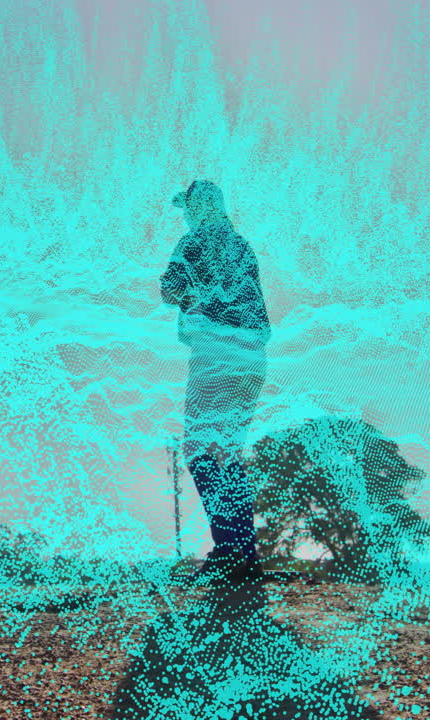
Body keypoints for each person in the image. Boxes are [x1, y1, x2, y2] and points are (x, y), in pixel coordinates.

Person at [159, 180, 272, 588]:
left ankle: (227, 550)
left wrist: (190, 298)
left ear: (197, 209)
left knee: (198, 449)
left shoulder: (192, 242)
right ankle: (245, 555)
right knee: (228, 453)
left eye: (188, 208)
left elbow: (168, 290)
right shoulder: (243, 246)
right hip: (254, 357)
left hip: (216, 353)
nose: (186, 216)